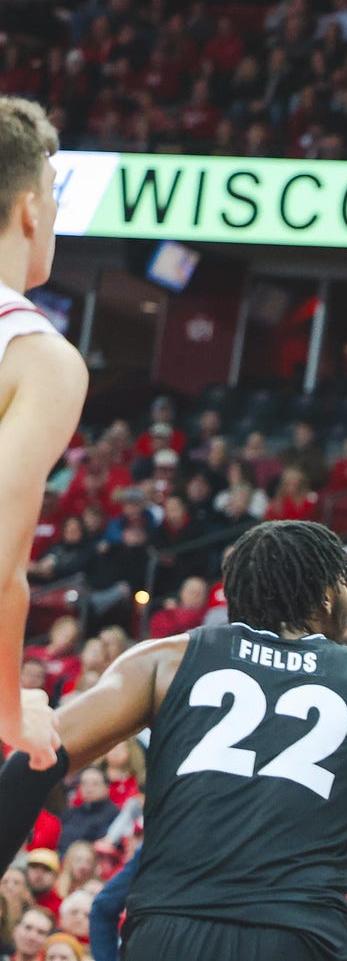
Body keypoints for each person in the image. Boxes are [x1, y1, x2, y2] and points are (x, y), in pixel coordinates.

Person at [0, 521, 347, 961]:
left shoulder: (164, 660)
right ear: (328, 595)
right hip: (298, 939)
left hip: (169, 934)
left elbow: (35, 760)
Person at [0, 97, 90, 768]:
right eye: (55, 200)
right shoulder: (37, 354)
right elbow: (2, 568)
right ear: (30, 205)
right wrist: (10, 712)